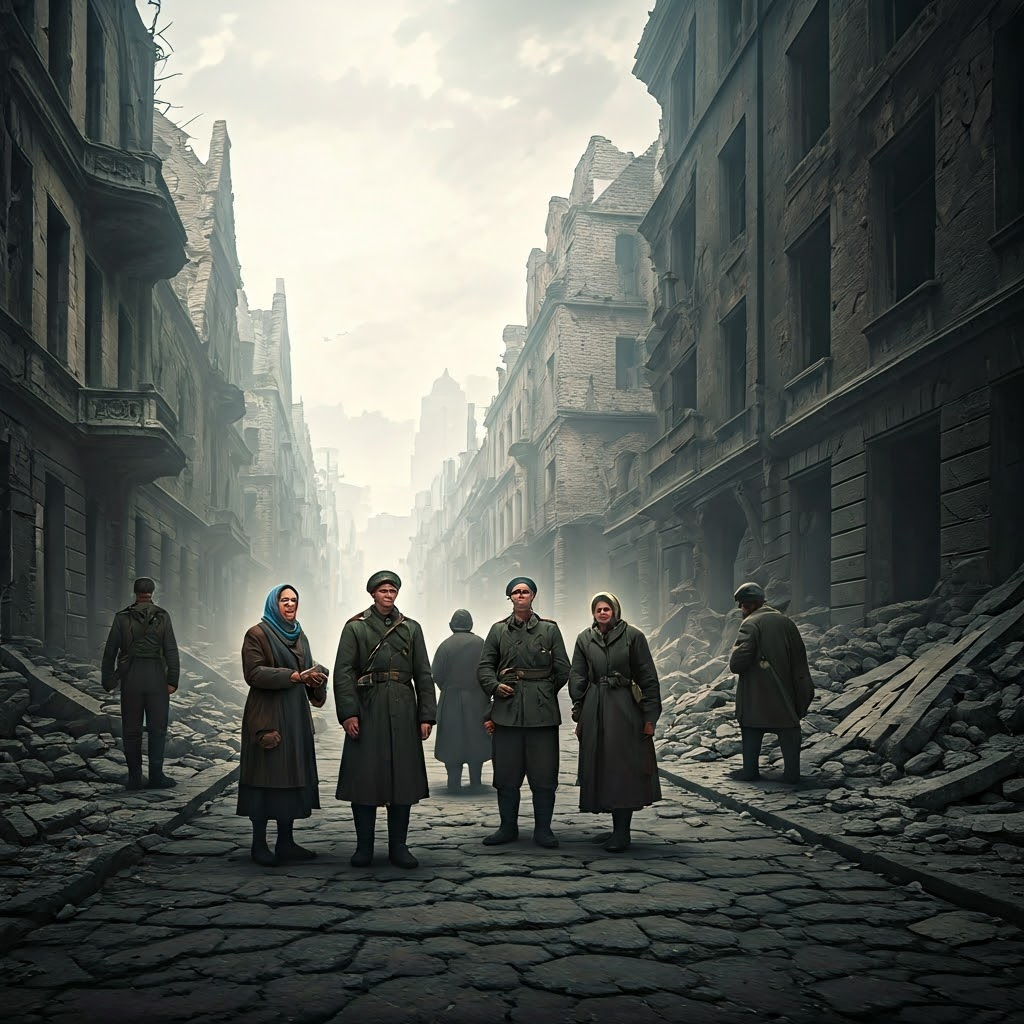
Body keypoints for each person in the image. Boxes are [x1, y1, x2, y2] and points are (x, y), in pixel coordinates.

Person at [334, 570, 436, 869]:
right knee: (365, 778)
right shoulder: (355, 628)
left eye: (392, 591)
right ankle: (363, 847)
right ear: (373, 594)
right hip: (368, 708)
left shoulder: (411, 629)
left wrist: (426, 715)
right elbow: (343, 673)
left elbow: (424, 674)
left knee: (402, 780)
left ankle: (399, 847)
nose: (388, 595)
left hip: (404, 708)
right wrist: (349, 713)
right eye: (383, 591)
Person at [239, 584, 328, 866]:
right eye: (284, 600)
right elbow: (253, 673)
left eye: (294, 601)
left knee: (290, 777)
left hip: (295, 714)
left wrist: (315, 679)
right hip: (268, 713)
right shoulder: (257, 634)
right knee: (265, 778)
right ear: (273, 604)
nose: (290, 605)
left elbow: (307, 670)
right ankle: (259, 844)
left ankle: (286, 842)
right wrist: (294, 676)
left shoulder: (300, 635)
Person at [477, 576, 570, 849]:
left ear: (533, 596)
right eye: (516, 592)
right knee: (506, 776)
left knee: (544, 777)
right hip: (507, 712)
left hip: (542, 716)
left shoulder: (549, 630)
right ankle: (508, 828)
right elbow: (484, 666)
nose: (520, 596)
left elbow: (563, 668)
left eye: (525, 591)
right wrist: (495, 686)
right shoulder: (497, 631)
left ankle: (543, 830)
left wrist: (543, 691)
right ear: (510, 598)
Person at [568, 592, 662, 853]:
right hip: (595, 707)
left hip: (624, 709)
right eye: (598, 608)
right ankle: (613, 827)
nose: (602, 612)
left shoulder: (633, 636)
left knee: (622, 768)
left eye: (606, 608)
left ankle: (623, 832)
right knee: (599, 765)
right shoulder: (584, 639)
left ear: (615, 611)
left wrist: (650, 717)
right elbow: (577, 674)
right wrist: (579, 710)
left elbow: (647, 677)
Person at [727, 581, 814, 783]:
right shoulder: (786, 622)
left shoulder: (750, 623)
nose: (741, 609)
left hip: (758, 694)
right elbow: (799, 658)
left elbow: (738, 663)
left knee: (751, 728)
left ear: (748, 605)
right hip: (786, 693)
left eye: (742, 605)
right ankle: (792, 773)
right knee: (789, 730)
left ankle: (750, 771)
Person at [101, 577, 180, 790]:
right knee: (157, 730)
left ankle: (135, 778)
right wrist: (172, 680)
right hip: (157, 679)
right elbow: (171, 649)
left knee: (131, 730)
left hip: (131, 679)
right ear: (152, 592)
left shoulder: (121, 618)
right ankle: (156, 777)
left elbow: (110, 651)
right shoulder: (163, 616)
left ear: (135, 592)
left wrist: (108, 679)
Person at [432, 609, 490, 794]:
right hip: (477, 698)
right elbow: (489, 671)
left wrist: (448, 689)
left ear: (451, 625)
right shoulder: (481, 644)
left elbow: (437, 674)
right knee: (477, 739)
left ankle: (453, 782)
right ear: (471, 625)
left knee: (452, 741)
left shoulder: (445, 646)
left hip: (451, 699)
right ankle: (476, 780)